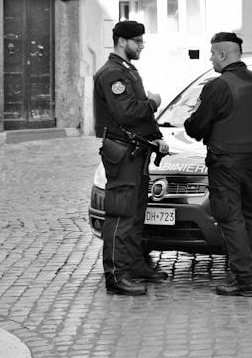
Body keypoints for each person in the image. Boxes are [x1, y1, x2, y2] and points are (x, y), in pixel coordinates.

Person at [184, 32, 252, 297]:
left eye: (212, 54)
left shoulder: (219, 86)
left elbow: (196, 127)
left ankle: (245, 280)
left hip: (226, 164)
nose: (210, 58)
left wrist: (192, 122)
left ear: (222, 54)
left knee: (231, 220)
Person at [94, 20, 170, 296]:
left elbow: (141, 117)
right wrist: (153, 102)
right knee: (121, 213)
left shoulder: (128, 71)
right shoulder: (112, 74)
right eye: (137, 41)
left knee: (136, 213)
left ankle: (136, 265)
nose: (141, 45)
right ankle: (115, 274)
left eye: (141, 41)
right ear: (122, 41)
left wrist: (157, 136)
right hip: (122, 152)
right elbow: (127, 112)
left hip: (136, 151)